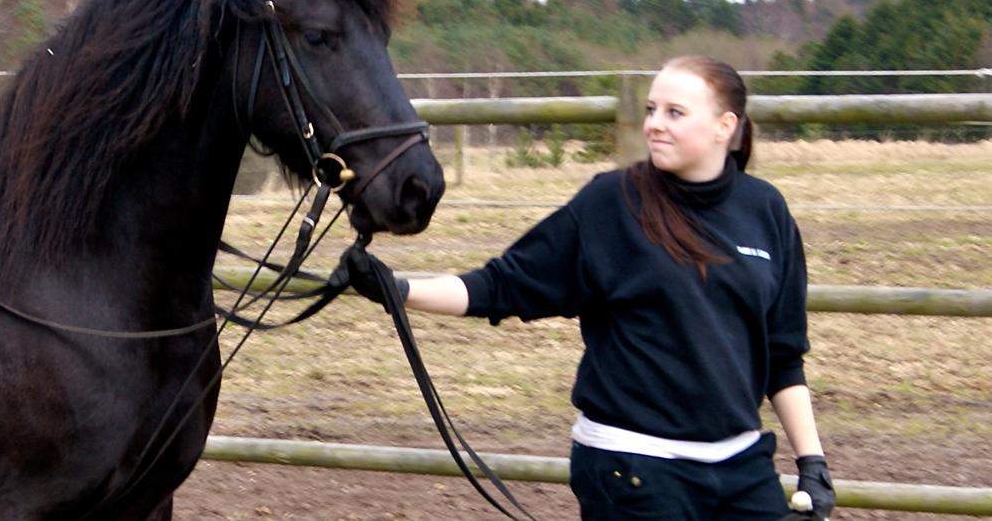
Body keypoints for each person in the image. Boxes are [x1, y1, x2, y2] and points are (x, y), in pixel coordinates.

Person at [332, 56, 836, 520]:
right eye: (652, 109)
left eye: (675, 112)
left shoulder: (766, 210)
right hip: (635, 470)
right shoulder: (610, 203)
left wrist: (812, 461)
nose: (655, 123)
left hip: (743, 469)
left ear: (726, 126)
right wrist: (398, 288)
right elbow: (502, 286)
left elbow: (783, 354)